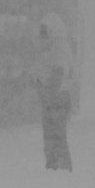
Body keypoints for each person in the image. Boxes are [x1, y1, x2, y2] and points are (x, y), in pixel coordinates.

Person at [33, 13, 77, 170]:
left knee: (56, 135)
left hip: (57, 98)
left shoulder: (59, 47)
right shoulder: (52, 46)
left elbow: (58, 72)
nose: (42, 34)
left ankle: (61, 166)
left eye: (45, 31)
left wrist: (48, 94)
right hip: (52, 98)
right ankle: (54, 164)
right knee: (51, 135)